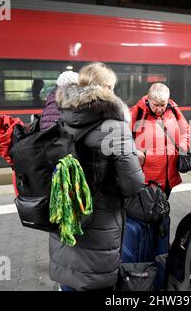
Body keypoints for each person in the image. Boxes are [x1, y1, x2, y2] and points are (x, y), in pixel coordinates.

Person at [49, 62, 145, 291]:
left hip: (67, 213)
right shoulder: (114, 126)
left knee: (70, 273)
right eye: (111, 87)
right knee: (95, 277)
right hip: (99, 219)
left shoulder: (64, 118)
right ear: (102, 88)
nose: (113, 93)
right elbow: (133, 184)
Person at [130, 83, 189, 199]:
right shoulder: (137, 113)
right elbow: (121, 138)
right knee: (146, 212)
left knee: (163, 208)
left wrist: (182, 146)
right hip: (146, 179)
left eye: (163, 105)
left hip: (168, 177)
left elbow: (185, 129)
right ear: (149, 99)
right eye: (155, 105)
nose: (159, 109)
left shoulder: (173, 109)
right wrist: (133, 150)